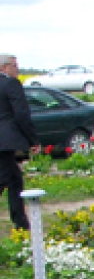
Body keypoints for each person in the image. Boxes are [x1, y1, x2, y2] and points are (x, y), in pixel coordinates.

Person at [0, 53, 40, 230]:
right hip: (5, 140)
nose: (18, 69)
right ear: (4, 68)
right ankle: (21, 223)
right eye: (15, 65)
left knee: (14, 178)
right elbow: (21, 114)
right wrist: (33, 140)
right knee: (7, 178)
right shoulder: (11, 84)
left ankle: (21, 222)